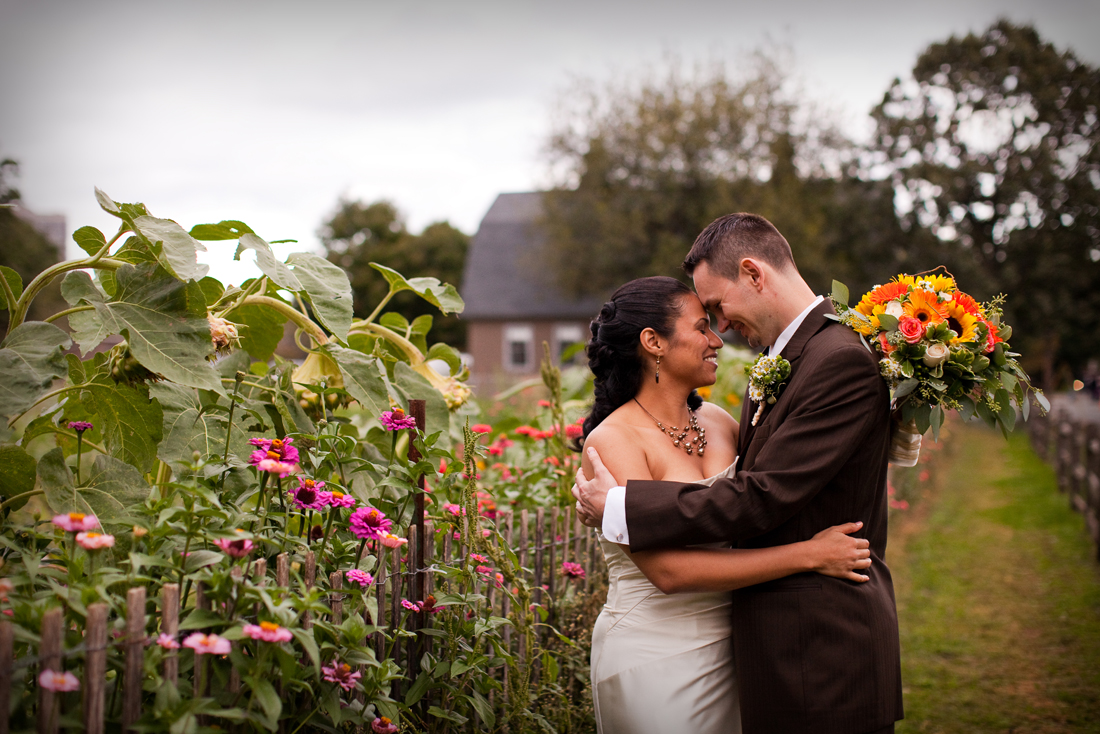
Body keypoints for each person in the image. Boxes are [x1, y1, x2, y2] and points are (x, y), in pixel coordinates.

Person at [575, 214, 904, 734]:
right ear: (652, 343)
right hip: (676, 654)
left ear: (753, 274)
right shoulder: (779, 363)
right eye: (703, 322)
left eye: (714, 310)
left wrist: (620, 508)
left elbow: (761, 495)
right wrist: (807, 554)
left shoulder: (828, 361)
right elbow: (677, 563)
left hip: (817, 646)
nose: (720, 332)